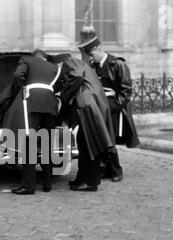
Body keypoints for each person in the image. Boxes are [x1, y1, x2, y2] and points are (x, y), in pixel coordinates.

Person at [0, 50, 62, 195]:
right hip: (50, 104)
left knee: (29, 145)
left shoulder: (27, 60)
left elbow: (18, 75)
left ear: (33, 56)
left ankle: (29, 186)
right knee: (46, 144)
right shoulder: (54, 67)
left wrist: (22, 87)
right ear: (44, 57)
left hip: (31, 102)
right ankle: (47, 184)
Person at [78, 27, 140, 182]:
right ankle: (106, 168)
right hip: (98, 106)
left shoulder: (117, 64)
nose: (91, 58)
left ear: (99, 49)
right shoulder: (93, 66)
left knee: (109, 139)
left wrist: (115, 107)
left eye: (92, 54)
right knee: (100, 137)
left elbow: (126, 91)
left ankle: (116, 171)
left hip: (113, 108)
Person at [58, 56, 116, 192]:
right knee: (85, 144)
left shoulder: (69, 61)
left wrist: (64, 94)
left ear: (59, 63)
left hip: (89, 106)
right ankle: (82, 179)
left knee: (90, 145)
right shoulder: (82, 64)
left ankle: (90, 182)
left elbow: (77, 76)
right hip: (91, 105)